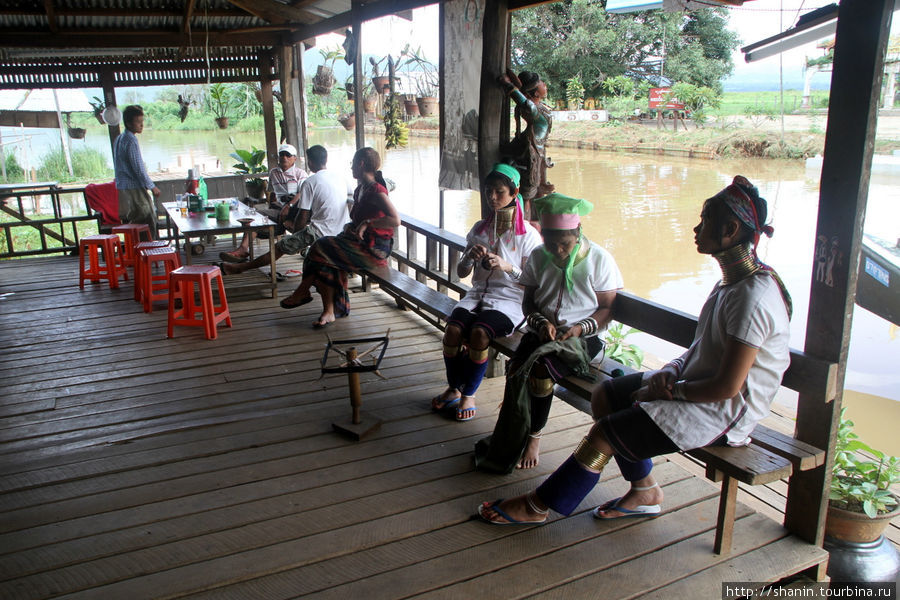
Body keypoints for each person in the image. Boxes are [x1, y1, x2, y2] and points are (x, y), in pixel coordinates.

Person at [477, 176, 793, 525]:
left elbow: (728, 388)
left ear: (731, 229)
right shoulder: (731, 285)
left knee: (603, 436)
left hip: (725, 411)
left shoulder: (752, 296)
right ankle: (645, 490)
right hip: (695, 384)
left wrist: (671, 392)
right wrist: (669, 373)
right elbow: (703, 350)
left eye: (705, 220)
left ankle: (538, 506)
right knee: (605, 397)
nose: (696, 227)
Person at [474, 193, 622, 472]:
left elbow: (607, 308)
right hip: (543, 331)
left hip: (582, 340)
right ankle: (512, 430)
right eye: (550, 243)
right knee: (518, 368)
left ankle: (534, 437)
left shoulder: (600, 260)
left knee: (540, 370)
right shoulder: (540, 256)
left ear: (578, 233)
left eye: (564, 244)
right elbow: (529, 301)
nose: (557, 251)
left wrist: (579, 328)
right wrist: (540, 322)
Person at [432, 163, 542, 422]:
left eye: (500, 192)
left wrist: (506, 266)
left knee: (480, 333)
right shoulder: (480, 228)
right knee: (453, 330)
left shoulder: (528, 237)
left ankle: (468, 392)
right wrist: (470, 257)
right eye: (488, 191)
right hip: (476, 296)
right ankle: (454, 387)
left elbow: (530, 284)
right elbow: (461, 273)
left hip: (510, 302)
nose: (492, 197)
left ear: (514, 194)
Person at [280, 147, 400, 328]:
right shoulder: (361, 188)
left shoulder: (376, 189)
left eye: (352, 163)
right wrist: (353, 226)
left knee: (320, 247)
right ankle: (329, 311)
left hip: (374, 250)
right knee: (322, 260)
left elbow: (395, 220)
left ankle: (304, 292)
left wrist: (368, 223)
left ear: (360, 164)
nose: (351, 168)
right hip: (359, 243)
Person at [218, 145, 351, 276]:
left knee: (279, 247)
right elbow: (351, 198)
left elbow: (303, 214)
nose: (284, 158)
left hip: (319, 232)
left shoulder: (310, 181)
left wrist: (296, 235)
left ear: (309, 162)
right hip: (340, 231)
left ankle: (238, 268)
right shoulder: (341, 178)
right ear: (325, 159)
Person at [220, 143, 308, 262]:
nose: (284, 158)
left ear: (294, 158)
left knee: (258, 217)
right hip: (279, 208)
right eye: (282, 154)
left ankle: (243, 249)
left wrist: (288, 206)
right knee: (254, 216)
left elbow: (302, 193)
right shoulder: (274, 173)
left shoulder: (300, 173)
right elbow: (271, 193)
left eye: (288, 155)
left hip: (295, 209)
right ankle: (243, 248)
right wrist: (272, 205)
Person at [497, 70, 554, 220]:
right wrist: (508, 85)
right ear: (535, 93)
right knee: (527, 196)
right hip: (531, 157)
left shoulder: (540, 108)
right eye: (541, 83)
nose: (545, 85)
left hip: (538, 155)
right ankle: (525, 224)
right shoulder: (534, 110)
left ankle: (535, 223)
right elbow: (527, 105)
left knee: (538, 193)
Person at [113, 105, 161, 238]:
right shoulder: (130, 140)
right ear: (128, 123)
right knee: (147, 216)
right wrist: (152, 186)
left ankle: (137, 249)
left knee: (136, 218)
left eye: (142, 122)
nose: (141, 125)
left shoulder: (119, 139)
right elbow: (138, 167)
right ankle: (147, 251)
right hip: (133, 185)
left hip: (124, 186)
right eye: (138, 122)